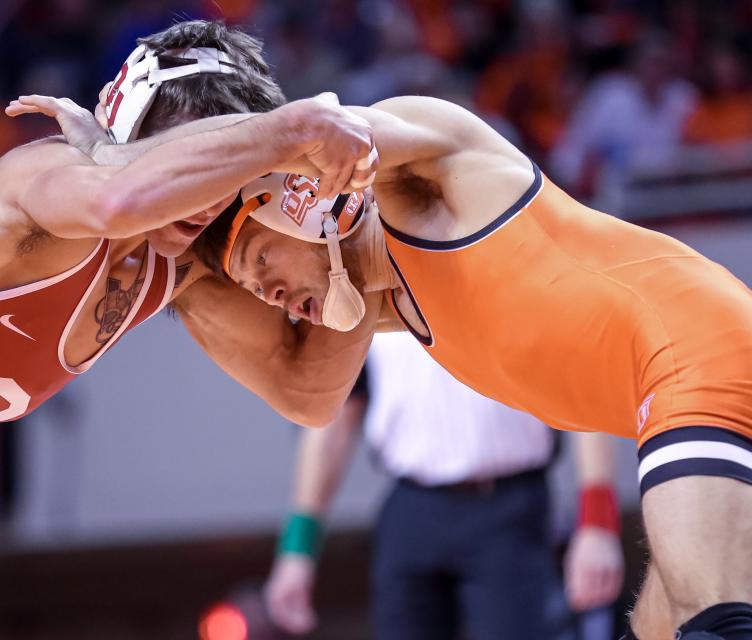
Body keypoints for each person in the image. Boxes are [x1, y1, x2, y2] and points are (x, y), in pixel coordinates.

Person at [0, 21, 380, 640]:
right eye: (190, 159)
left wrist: (373, 241)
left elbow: (307, 394)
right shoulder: (45, 174)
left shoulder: (181, 266)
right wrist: (300, 125)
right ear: (128, 139)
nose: (204, 198)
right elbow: (116, 202)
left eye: (225, 174)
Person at [176, 94, 752, 638]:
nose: (270, 295)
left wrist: (138, 170)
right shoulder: (387, 305)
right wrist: (161, 260)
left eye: (262, 261)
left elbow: (329, 133)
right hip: (667, 387)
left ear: (299, 199)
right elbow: (299, 391)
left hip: (692, 351)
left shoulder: (422, 184)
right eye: (255, 288)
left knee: (711, 622)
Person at [263, 332, 624, 639]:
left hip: (508, 509)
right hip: (412, 507)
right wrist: (297, 549)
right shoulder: (366, 280)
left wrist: (597, 524)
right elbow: (335, 420)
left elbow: (583, 384)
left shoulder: (520, 263)